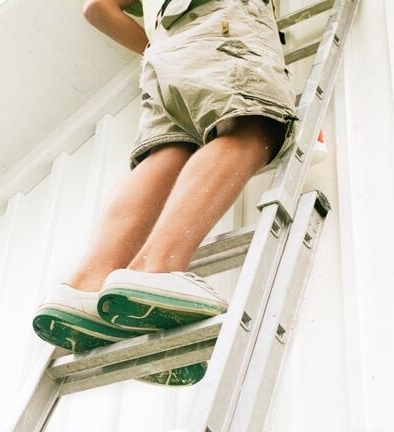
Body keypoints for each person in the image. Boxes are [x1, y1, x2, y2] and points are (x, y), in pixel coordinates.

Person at [32, 0, 297, 386]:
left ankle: (86, 288)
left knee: (169, 152)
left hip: (165, 52)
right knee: (254, 127)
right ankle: (156, 268)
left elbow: (96, 8)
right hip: (221, 23)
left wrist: (159, 46)